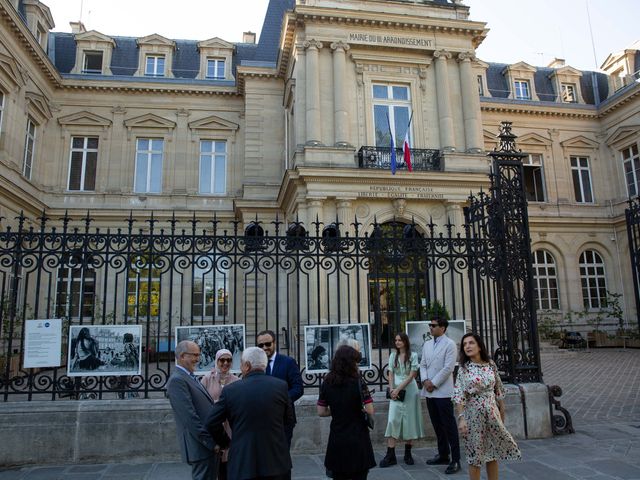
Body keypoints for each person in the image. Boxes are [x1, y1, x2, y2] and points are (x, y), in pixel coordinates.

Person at [205, 347, 293, 480]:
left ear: (247, 366)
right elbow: (289, 420)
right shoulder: (281, 386)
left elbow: (211, 422)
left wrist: (226, 442)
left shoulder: (231, 390)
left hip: (243, 460)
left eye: (241, 363)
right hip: (276, 460)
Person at [454, 333, 521, 480]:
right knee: (475, 456)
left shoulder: (490, 364)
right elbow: (459, 395)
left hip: (492, 413)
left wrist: (502, 410)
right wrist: (461, 418)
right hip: (473, 416)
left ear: (479, 346)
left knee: (492, 453)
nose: (467, 346)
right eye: (465, 344)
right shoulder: (464, 369)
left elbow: (499, 388)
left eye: (471, 343)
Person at [167, 340, 227, 480]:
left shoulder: (189, 376)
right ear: (182, 356)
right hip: (201, 447)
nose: (198, 359)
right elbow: (190, 418)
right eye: (194, 355)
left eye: (198, 355)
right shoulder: (177, 380)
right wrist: (211, 444)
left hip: (208, 446)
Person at [317, 345, 376, 480]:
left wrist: (338, 410)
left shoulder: (327, 382)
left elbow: (321, 411)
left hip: (337, 437)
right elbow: (370, 409)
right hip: (358, 437)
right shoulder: (359, 382)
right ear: (350, 363)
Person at [419, 317, 461, 475]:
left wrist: (433, 383)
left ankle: (455, 459)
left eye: (434, 325)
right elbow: (422, 364)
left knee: (449, 426)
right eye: (429, 325)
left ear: (442, 328)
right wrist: (424, 380)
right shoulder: (428, 344)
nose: (430, 327)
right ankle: (443, 454)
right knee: (437, 425)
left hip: (442, 391)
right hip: (429, 391)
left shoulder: (450, 344)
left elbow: (448, 368)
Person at [379, 333, 425, 468]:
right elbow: (390, 374)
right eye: (396, 340)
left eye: (400, 340)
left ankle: (408, 453)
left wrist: (398, 389)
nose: (397, 342)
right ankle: (390, 454)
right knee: (392, 420)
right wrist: (391, 389)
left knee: (409, 421)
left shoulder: (413, 356)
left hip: (409, 391)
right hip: (395, 392)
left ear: (405, 341)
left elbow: (412, 376)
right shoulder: (393, 356)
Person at [256, 329, 304, 446]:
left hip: (283, 419)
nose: (264, 347)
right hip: (261, 419)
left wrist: (279, 401)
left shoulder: (288, 362)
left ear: (275, 343)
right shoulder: (255, 364)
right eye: (260, 345)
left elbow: (298, 388)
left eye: (268, 344)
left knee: (282, 457)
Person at [201, 349, 239, 480]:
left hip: (229, 427)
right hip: (214, 425)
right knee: (213, 465)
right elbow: (202, 402)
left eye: (229, 360)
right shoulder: (207, 379)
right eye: (222, 360)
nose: (225, 363)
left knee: (228, 465)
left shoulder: (236, 380)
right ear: (216, 361)